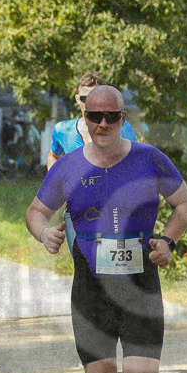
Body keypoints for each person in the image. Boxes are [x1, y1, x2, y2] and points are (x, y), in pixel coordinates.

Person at [25, 86, 187, 373]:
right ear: (83, 118)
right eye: (95, 116)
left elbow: (185, 204)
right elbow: (35, 211)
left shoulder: (149, 158)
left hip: (139, 281)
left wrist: (168, 242)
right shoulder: (66, 167)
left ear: (123, 118)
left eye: (111, 117)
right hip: (90, 284)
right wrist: (44, 232)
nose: (102, 124)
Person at [46, 71, 138, 254]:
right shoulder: (63, 130)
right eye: (84, 97)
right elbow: (53, 156)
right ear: (77, 99)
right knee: (83, 269)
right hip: (76, 211)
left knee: (113, 272)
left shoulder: (122, 128)